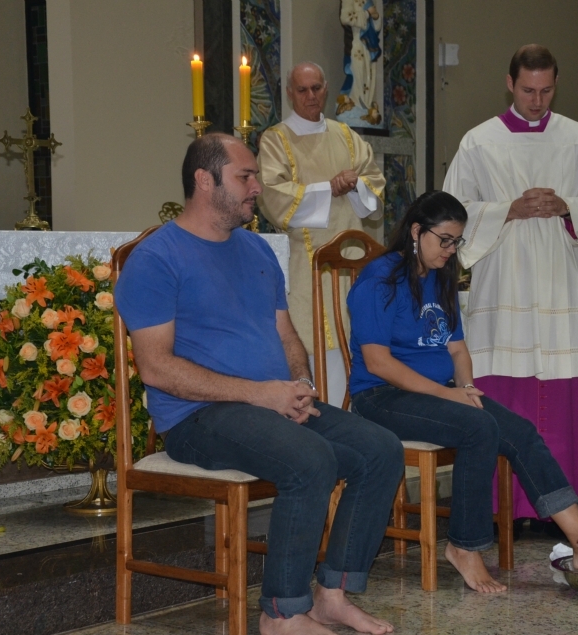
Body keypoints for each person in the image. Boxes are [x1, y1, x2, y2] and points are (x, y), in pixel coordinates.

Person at [116, 133, 402, 635]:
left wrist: (297, 386)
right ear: (204, 181)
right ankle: (282, 615)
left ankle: (331, 595)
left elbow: (286, 333)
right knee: (310, 460)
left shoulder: (256, 250)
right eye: (245, 177)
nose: (257, 187)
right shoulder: (157, 257)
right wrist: (260, 393)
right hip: (197, 417)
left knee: (380, 450)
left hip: (270, 404)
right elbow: (156, 368)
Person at [347, 191, 578, 594]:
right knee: (478, 428)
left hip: (436, 393)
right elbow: (377, 362)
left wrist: (465, 387)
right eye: (444, 240)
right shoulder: (380, 278)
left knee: (521, 431)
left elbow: (458, 349)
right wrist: (448, 396)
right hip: (380, 397)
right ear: (416, 230)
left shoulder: (439, 279)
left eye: (456, 242)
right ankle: (464, 547)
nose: (451, 250)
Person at [442, 45, 578, 523]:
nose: (537, 100)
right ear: (509, 83)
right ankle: (504, 509)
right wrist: (508, 210)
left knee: (560, 395)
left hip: (560, 279)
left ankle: (564, 510)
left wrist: (566, 206)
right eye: (527, 90)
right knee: (504, 390)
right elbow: (451, 212)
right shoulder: (479, 142)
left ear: (555, 84)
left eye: (546, 90)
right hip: (504, 280)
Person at [256, 62, 385, 353]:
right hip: (307, 265)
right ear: (290, 94)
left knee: (360, 347)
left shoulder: (347, 136)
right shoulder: (277, 140)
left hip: (353, 260)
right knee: (314, 349)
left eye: (316, 88)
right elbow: (274, 195)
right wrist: (329, 188)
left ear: (326, 90)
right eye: (302, 90)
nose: (310, 95)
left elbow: (375, 187)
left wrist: (355, 185)